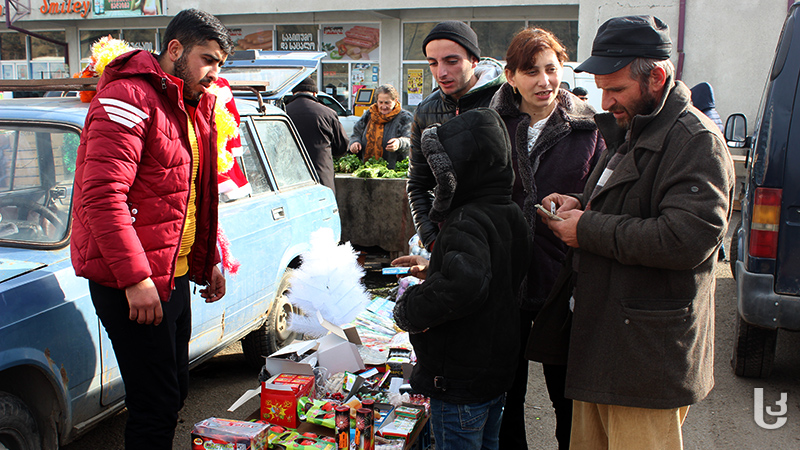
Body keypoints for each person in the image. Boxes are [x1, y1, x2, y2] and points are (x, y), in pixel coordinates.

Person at [538, 16, 735, 449]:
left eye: (616, 89)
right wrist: (580, 203)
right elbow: (626, 198)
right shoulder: (634, 125)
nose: (605, 101)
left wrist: (587, 228)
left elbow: (686, 237)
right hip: (604, 345)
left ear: (657, 77)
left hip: (646, 358)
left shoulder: (695, 141)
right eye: (602, 88)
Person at [70, 9, 233, 449]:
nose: (214, 73)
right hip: (133, 281)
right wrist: (136, 279)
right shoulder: (127, 96)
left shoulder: (191, 102)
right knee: (155, 405)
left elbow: (191, 193)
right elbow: (102, 196)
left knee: (175, 391)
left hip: (171, 274)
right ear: (175, 49)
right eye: (208, 59)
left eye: (220, 64)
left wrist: (210, 256)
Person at [489, 27, 604, 450]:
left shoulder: (588, 127)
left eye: (551, 69)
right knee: (507, 392)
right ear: (510, 76)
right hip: (505, 277)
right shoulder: (491, 125)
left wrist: (580, 205)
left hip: (564, 280)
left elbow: (600, 195)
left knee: (567, 394)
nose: (544, 81)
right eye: (530, 71)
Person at [392, 108, 531, 450]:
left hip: (459, 378)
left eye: (444, 173)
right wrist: (433, 267)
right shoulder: (510, 212)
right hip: (493, 373)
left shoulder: (467, 219)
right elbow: (491, 273)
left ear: (463, 172)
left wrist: (409, 308)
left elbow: (466, 284)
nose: (439, 181)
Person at [406, 20, 506, 250]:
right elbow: (418, 183)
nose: (441, 72)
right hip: (448, 234)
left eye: (452, 61)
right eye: (433, 63)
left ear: (474, 60)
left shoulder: (502, 101)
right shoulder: (425, 110)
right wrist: (431, 239)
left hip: (499, 235)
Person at [285, 76, 349, 193]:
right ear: (315, 93)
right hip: (321, 176)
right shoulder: (328, 113)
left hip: (289, 179)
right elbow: (341, 147)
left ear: (293, 93)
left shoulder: (283, 113)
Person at [348, 84, 413, 169]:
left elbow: (411, 140)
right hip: (368, 169)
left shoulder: (404, 117)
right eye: (380, 102)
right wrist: (355, 142)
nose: (383, 106)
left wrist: (399, 143)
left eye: (387, 103)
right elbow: (357, 133)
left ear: (395, 100)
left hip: (393, 171)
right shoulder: (369, 114)